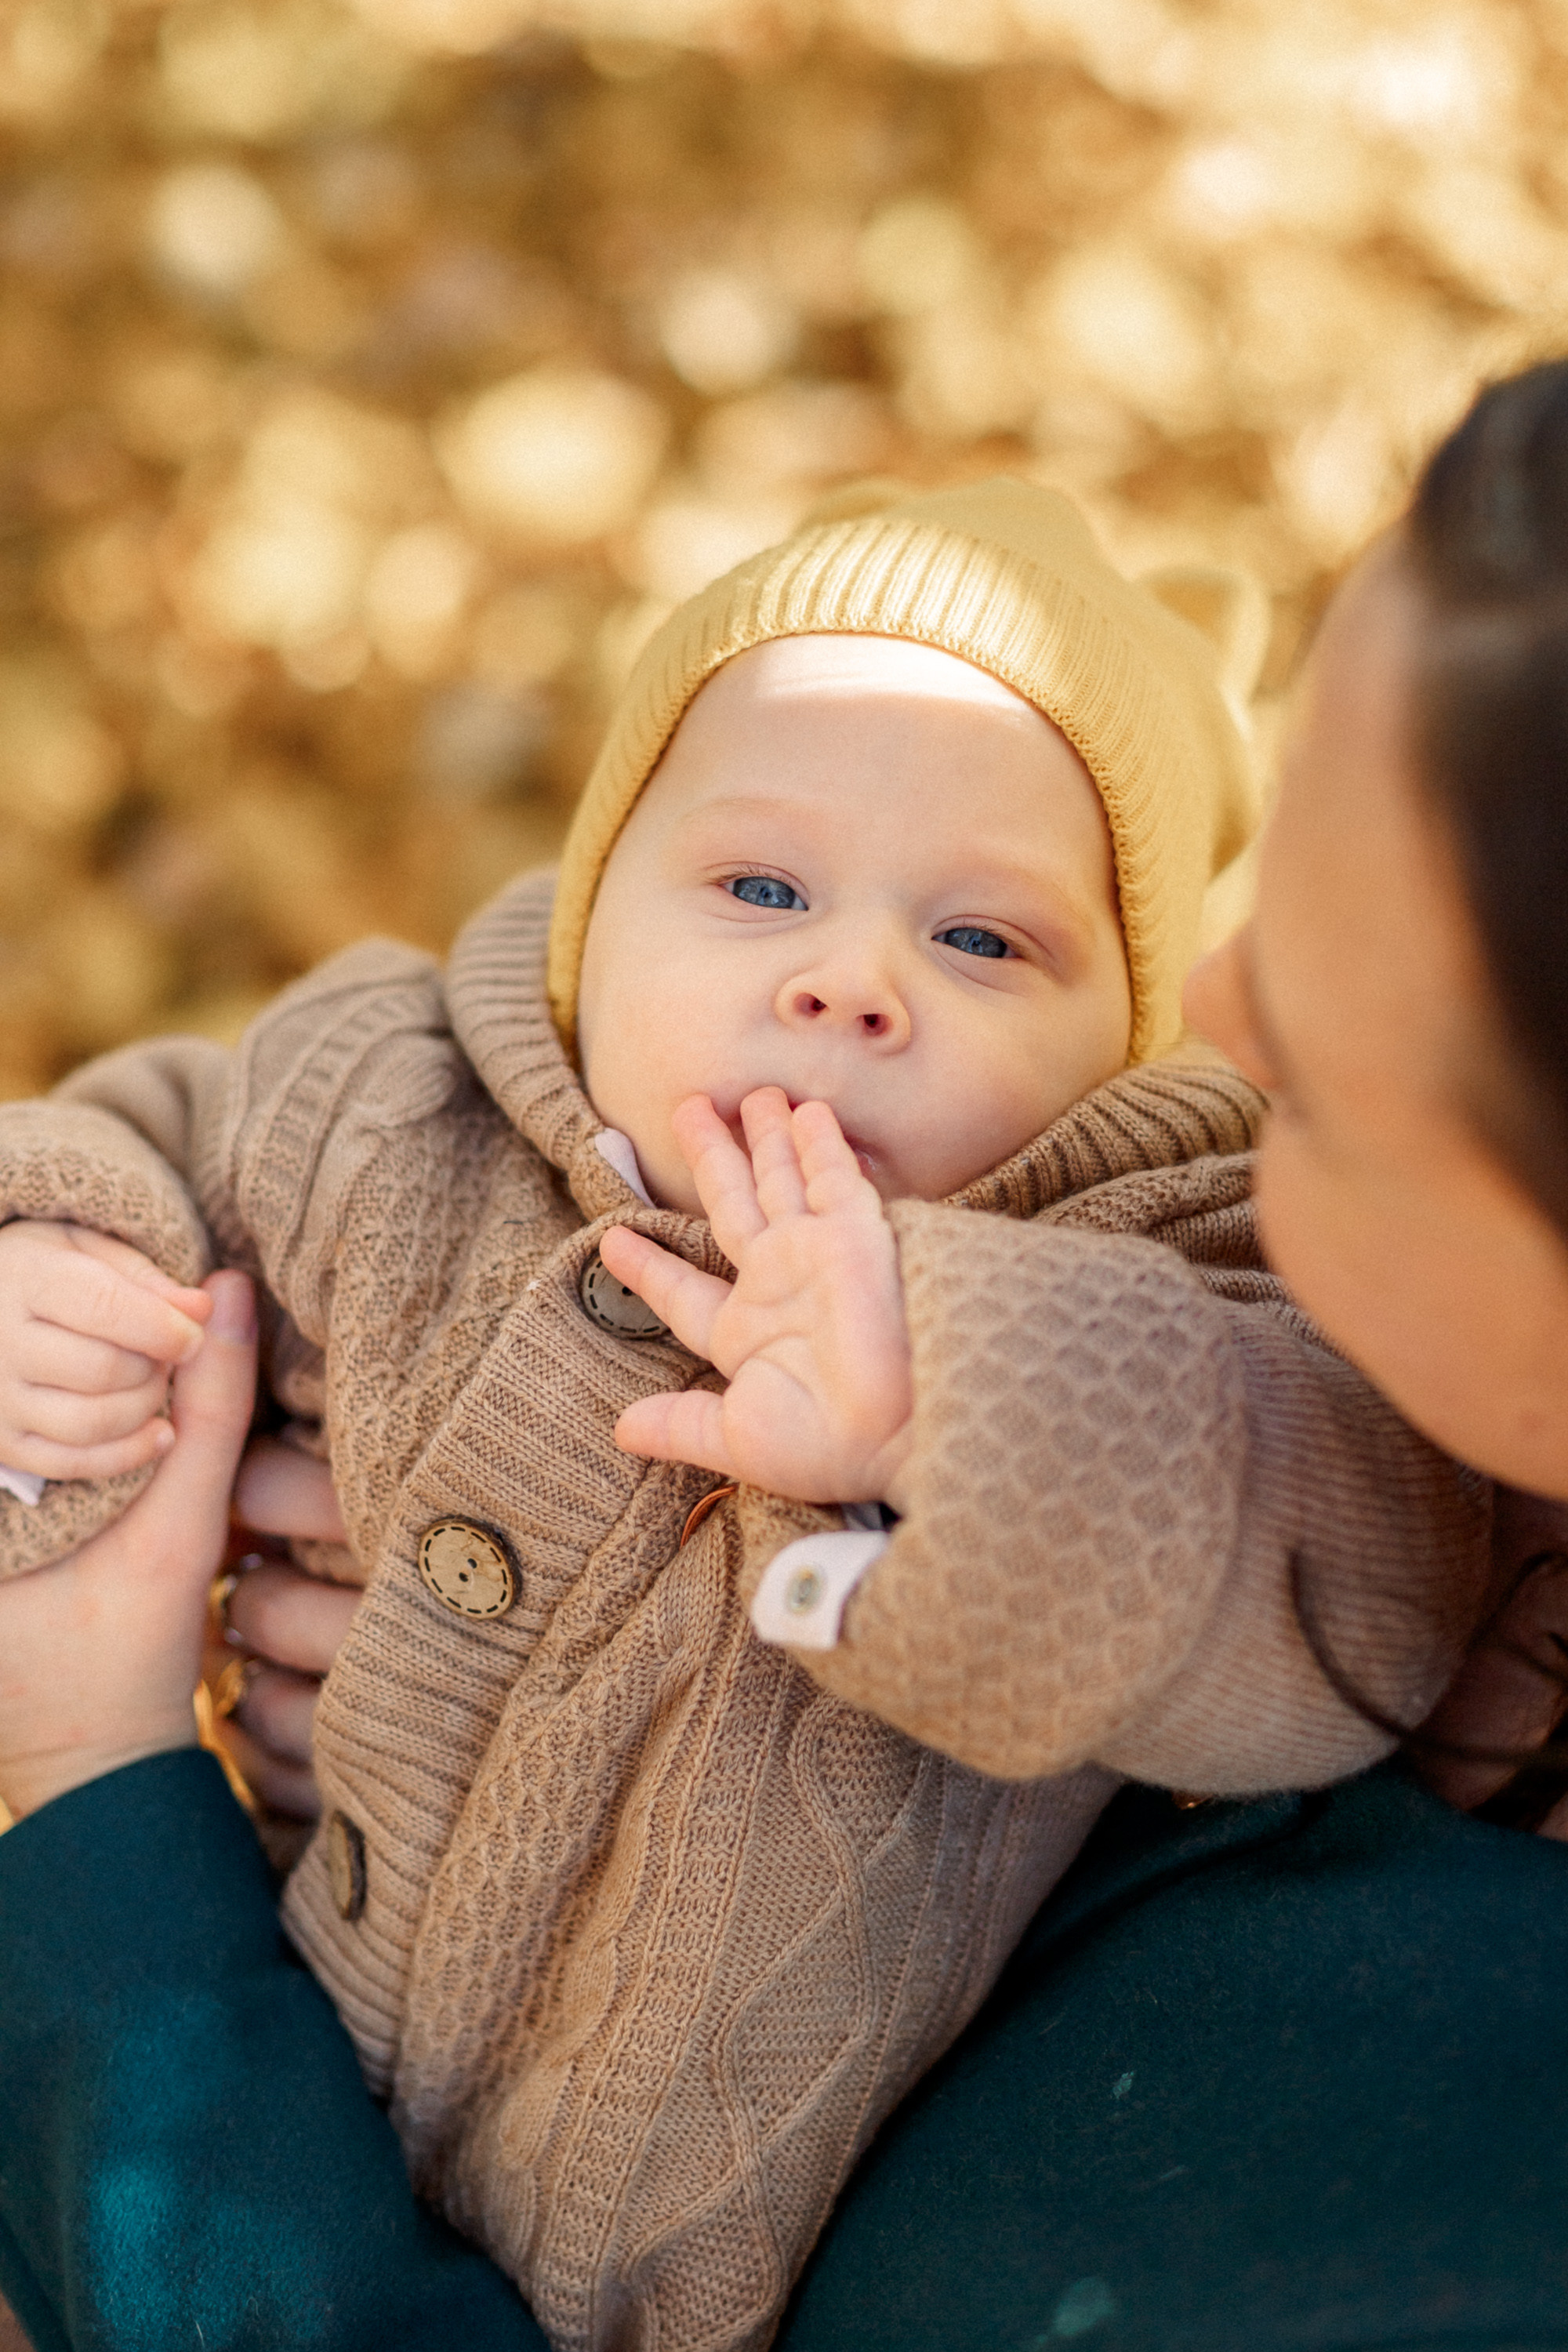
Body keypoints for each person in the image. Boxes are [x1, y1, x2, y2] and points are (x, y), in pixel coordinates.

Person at [5, 368, 1568, 2347]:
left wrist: (950, 1392)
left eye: (986, 942)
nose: (847, 979)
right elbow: (143, 1141)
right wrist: (57, 1259)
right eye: (756, 889)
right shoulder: (395, 1091)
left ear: (1117, 1058)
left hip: (642, 2276)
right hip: (214, 2053)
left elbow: (1330, 1551)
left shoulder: (1154, 1278)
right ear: (590, 919)